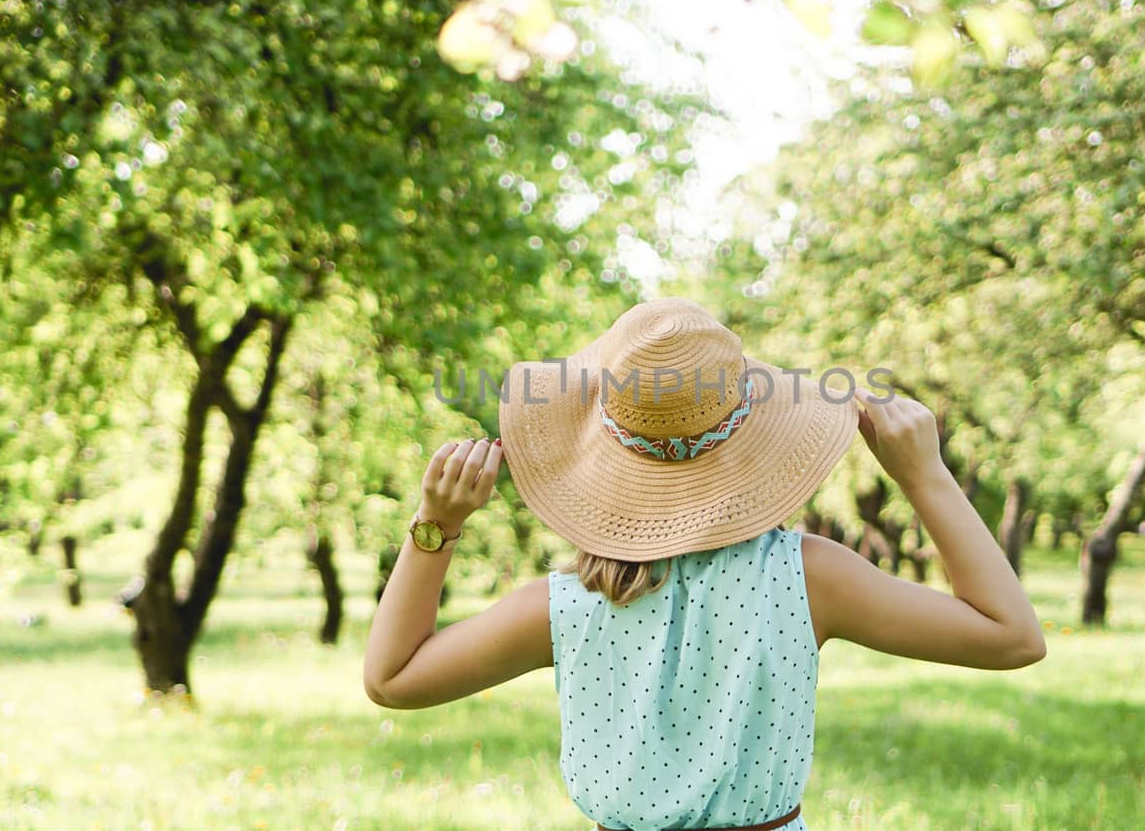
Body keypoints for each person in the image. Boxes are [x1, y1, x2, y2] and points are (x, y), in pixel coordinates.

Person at [364, 298, 1045, 831]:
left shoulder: (565, 606)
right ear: (750, 431)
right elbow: (1011, 635)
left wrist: (437, 526)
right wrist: (925, 476)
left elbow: (393, 679)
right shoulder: (807, 580)